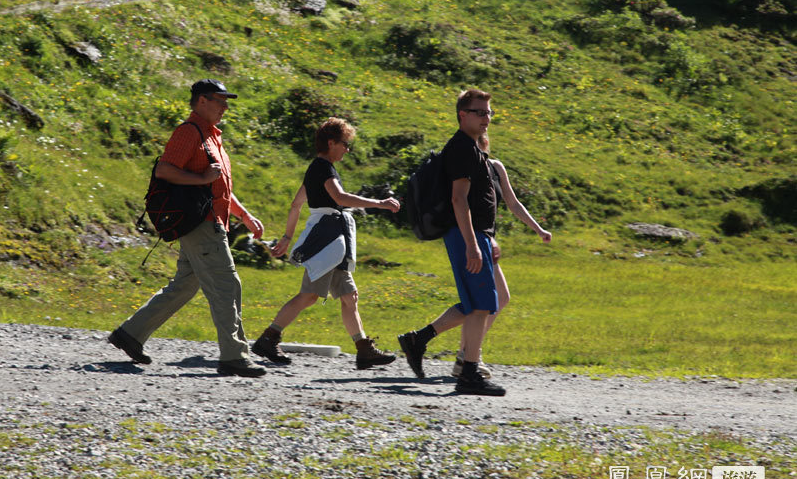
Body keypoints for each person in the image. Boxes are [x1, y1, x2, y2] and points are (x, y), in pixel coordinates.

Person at [108, 79, 268, 377]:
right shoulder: (188, 132)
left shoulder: (212, 136)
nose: (226, 107)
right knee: (226, 285)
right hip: (201, 224)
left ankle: (130, 334)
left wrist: (244, 215)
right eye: (221, 101)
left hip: (211, 221)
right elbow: (164, 170)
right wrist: (201, 179)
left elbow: (219, 185)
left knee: (185, 284)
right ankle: (234, 356)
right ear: (202, 101)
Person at [398, 89, 550, 395]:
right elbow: (458, 199)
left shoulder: (473, 150)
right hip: (470, 236)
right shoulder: (463, 149)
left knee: (479, 304)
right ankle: (468, 373)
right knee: (482, 304)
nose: (486, 118)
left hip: (477, 235)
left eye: (489, 113)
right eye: (479, 112)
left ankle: (455, 361)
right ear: (462, 115)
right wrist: (471, 244)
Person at [250, 117, 401, 370]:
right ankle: (268, 338)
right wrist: (380, 203)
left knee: (349, 297)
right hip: (328, 242)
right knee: (309, 296)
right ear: (331, 143)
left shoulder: (318, 168)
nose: (347, 149)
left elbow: (296, 204)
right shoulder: (323, 168)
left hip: (334, 241)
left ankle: (364, 350)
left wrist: (288, 237)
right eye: (344, 144)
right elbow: (339, 198)